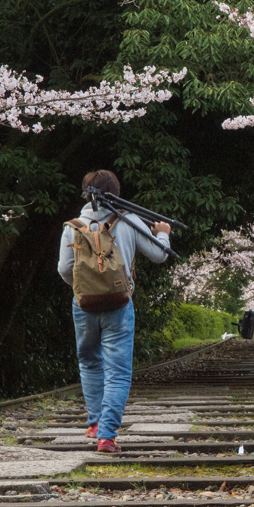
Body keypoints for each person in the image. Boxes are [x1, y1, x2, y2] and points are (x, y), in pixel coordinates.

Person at [58, 170, 171, 454]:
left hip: (83, 305)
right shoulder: (129, 220)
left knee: (89, 361)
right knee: (118, 371)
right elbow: (159, 255)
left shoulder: (73, 226)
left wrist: (86, 286)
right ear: (115, 193)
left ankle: (95, 423)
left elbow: (63, 269)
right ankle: (106, 436)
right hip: (120, 304)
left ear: (86, 194)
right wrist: (163, 235)